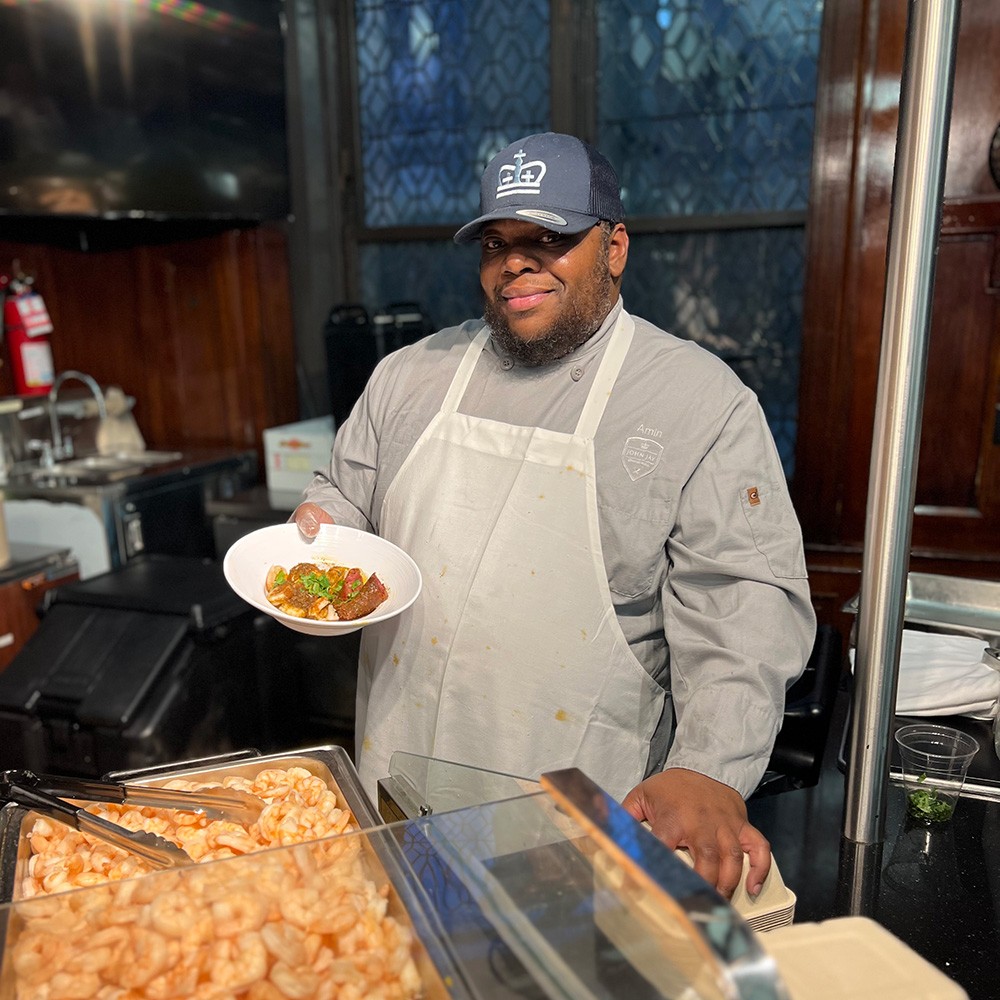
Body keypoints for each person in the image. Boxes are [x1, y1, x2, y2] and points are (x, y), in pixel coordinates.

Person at [294, 132, 816, 899]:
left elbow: (741, 605)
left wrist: (707, 768)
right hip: (397, 781)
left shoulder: (698, 402)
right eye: (498, 243)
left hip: (575, 808)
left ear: (615, 247)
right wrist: (316, 534)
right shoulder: (409, 377)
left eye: (551, 238)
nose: (517, 262)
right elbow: (344, 499)